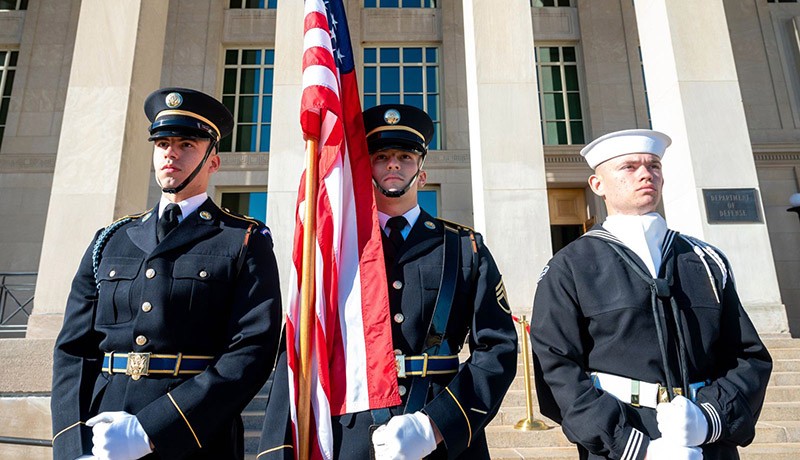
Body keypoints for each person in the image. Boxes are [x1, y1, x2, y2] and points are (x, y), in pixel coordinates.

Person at [257, 104, 518, 459]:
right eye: (381, 157)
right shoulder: (335, 251)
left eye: (405, 156)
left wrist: (437, 425)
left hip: (441, 429)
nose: (393, 164)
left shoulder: (463, 247)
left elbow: (497, 348)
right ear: (366, 170)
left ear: (422, 174)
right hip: (352, 430)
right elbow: (301, 348)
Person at [51, 87, 283, 460]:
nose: (171, 153)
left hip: (195, 435)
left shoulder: (243, 240)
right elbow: (73, 351)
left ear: (213, 161)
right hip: (102, 435)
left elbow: (251, 350)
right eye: (162, 144)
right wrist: (71, 446)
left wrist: (152, 429)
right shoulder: (111, 240)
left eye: (187, 144)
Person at [529, 129, 773, 460]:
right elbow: (557, 368)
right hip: (623, 444)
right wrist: (636, 448)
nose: (646, 174)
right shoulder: (569, 267)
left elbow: (748, 356)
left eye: (654, 166)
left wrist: (708, 420)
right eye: (629, 167)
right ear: (597, 185)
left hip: (708, 443)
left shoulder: (705, 259)